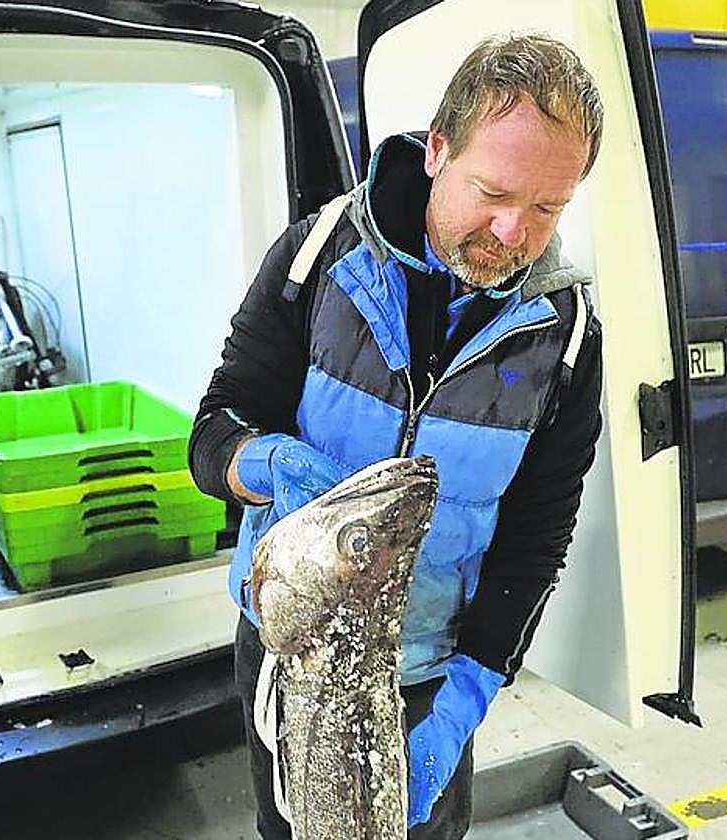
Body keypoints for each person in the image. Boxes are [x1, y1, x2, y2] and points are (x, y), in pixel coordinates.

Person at [189, 33, 605, 839]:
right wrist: (259, 462)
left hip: (426, 677)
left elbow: (537, 539)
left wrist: (465, 702)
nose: (515, 233)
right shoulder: (316, 259)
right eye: (493, 192)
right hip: (291, 653)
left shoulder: (567, 334)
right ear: (438, 149)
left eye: (548, 208)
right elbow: (214, 428)